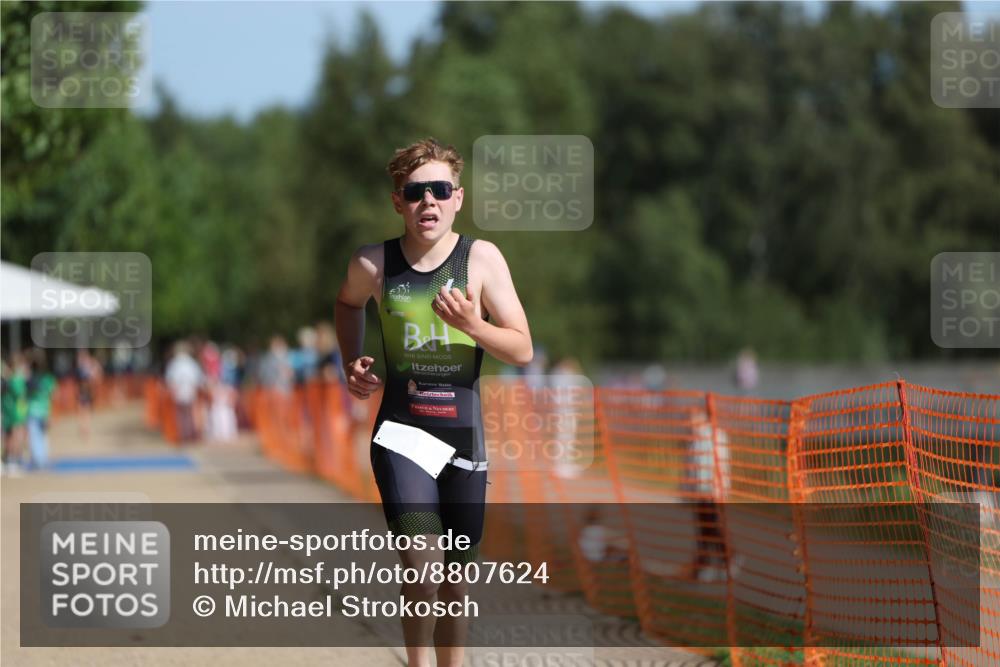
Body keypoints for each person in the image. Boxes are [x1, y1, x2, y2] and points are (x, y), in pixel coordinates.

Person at [334, 138, 533, 667]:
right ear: (397, 201)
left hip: (464, 438)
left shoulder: (482, 259)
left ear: (458, 198)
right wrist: (350, 359)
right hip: (402, 434)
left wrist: (474, 325)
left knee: (455, 583)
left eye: (439, 190)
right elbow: (347, 303)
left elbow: (523, 347)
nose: (429, 202)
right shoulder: (373, 263)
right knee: (422, 568)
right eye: (415, 192)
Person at [680, 409, 731, 583]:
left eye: (693, 419)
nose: (690, 423)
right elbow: (689, 468)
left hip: (712, 493)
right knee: (703, 531)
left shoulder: (716, 437)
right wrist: (685, 491)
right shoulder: (693, 440)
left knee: (714, 529)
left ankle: (727, 561)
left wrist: (718, 489)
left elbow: (721, 466)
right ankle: (707, 565)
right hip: (699, 492)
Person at [165, 341, 203, 442]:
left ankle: (183, 434)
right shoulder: (192, 363)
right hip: (190, 391)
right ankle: (191, 434)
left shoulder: (174, 363)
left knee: (181, 415)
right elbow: (198, 379)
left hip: (179, 392)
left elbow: (170, 379)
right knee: (191, 414)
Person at [25, 350, 57, 469]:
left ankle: (38, 461)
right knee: (42, 436)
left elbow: (25, 393)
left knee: (35, 436)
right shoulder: (48, 379)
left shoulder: (30, 379)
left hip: (33, 411)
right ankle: (42, 460)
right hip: (44, 411)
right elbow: (53, 395)